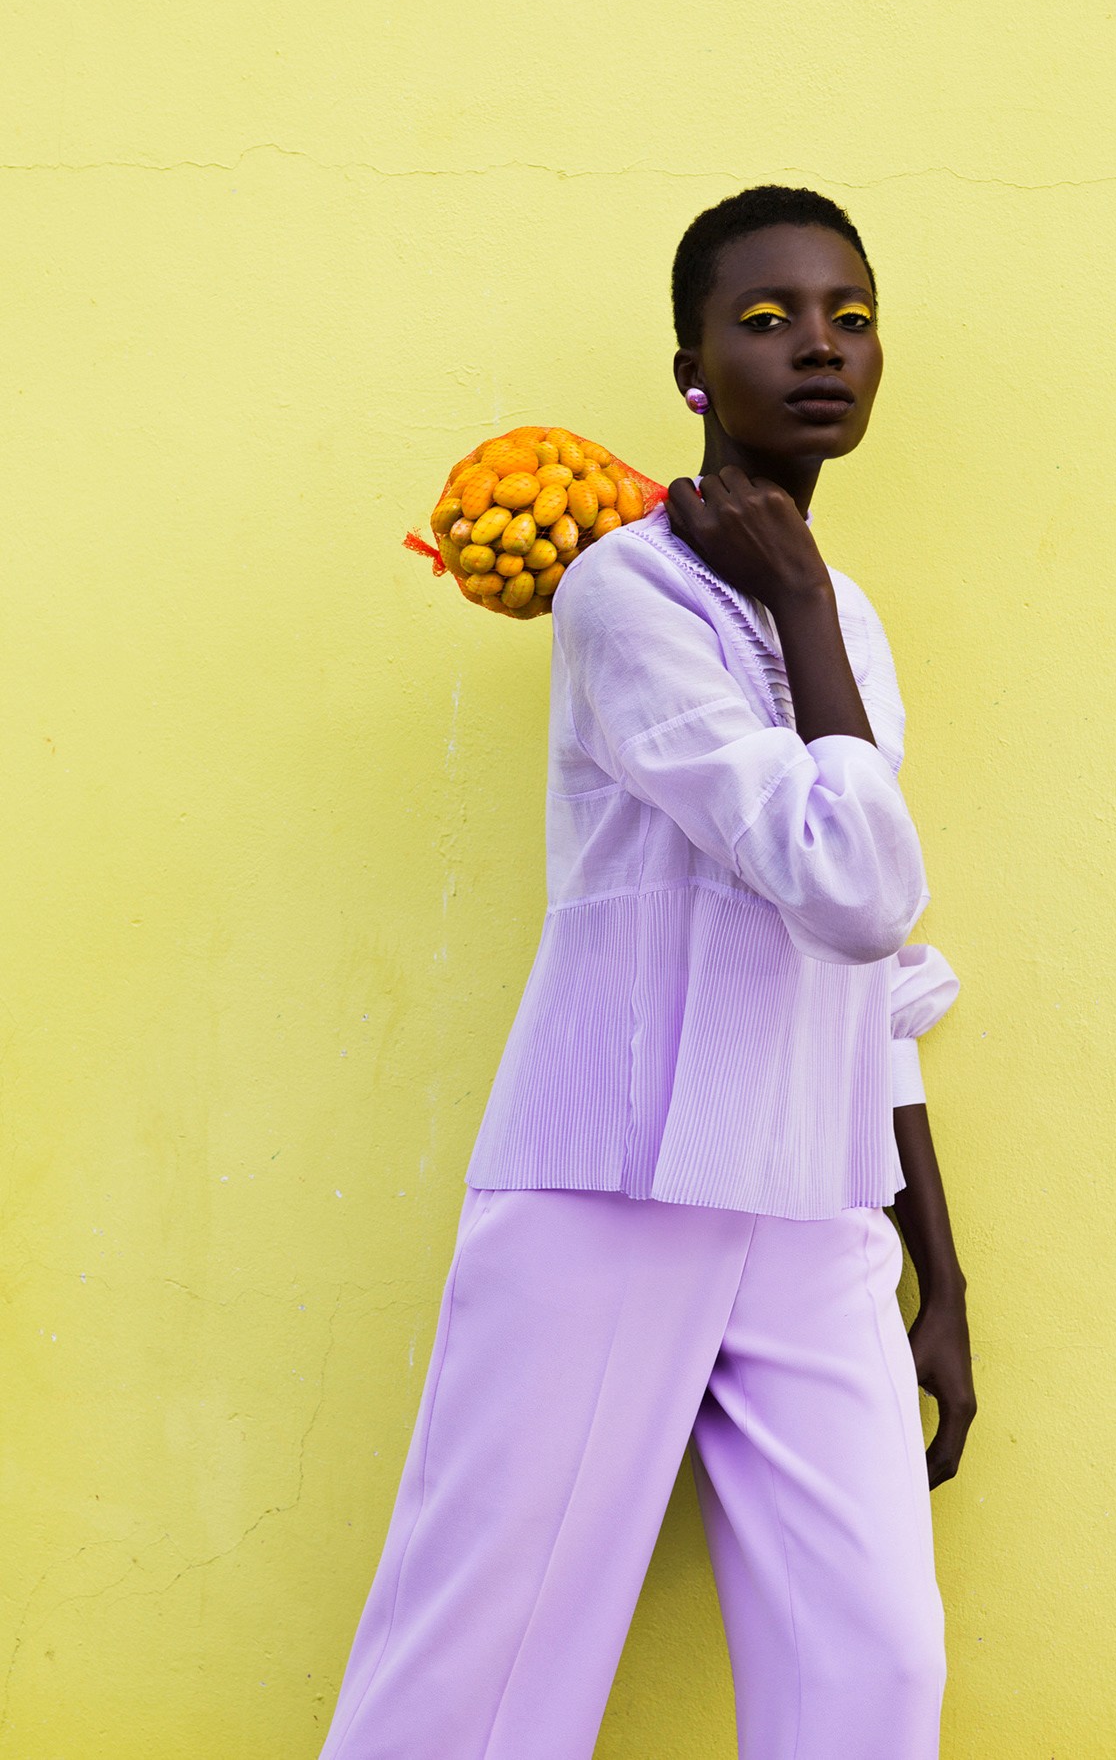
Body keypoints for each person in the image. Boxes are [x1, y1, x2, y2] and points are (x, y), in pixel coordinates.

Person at [319, 185, 975, 1760]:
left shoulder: (849, 616)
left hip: (811, 1204)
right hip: (614, 1183)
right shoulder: (628, 595)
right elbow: (849, 885)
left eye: (850, 318)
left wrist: (939, 1271)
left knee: (874, 1675)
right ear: (691, 372)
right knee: (476, 1679)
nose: (818, 348)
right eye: (767, 321)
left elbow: (862, 975)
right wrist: (794, 597)